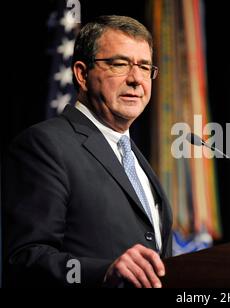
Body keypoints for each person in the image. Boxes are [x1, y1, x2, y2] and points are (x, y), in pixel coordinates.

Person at [2, 15, 172, 288]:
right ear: (82, 74)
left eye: (144, 66)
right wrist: (103, 272)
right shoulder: (44, 145)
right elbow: (25, 259)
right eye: (119, 64)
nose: (136, 79)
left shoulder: (137, 161)